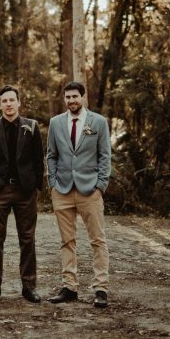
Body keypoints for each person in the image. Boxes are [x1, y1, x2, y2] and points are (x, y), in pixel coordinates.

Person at [46, 81, 112, 308]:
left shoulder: (98, 122)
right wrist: (52, 182)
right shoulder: (55, 123)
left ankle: (101, 288)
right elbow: (51, 155)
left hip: (90, 190)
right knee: (67, 241)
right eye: (68, 97)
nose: (72, 100)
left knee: (97, 240)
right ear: (64, 99)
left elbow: (105, 155)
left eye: (75, 96)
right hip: (62, 190)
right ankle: (69, 287)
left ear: (83, 97)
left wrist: (101, 184)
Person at [0, 85, 44, 303]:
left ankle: (29, 286)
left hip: (25, 191)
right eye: (4, 101)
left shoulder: (31, 127)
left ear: (18, 103)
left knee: (27, 238)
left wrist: (35, 186)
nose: (8, 104)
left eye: (11, 100)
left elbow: (38, 159)